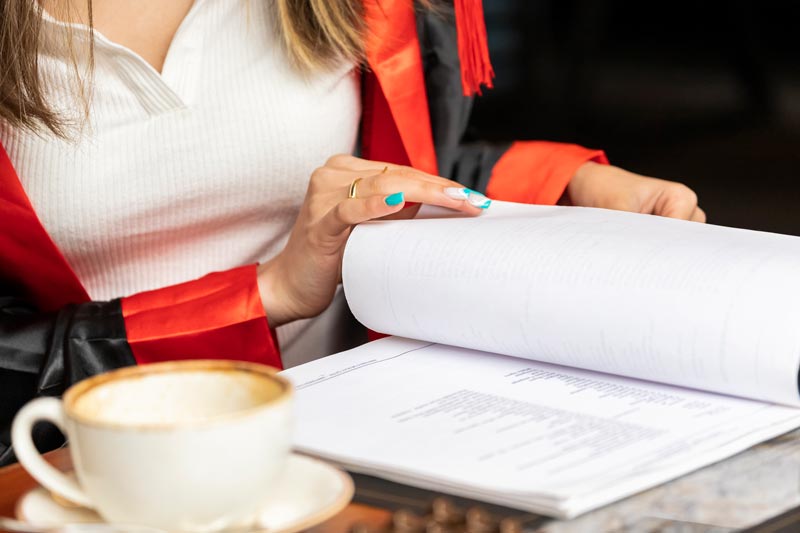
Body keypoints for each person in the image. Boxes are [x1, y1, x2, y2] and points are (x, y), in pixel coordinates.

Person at [0, 0, 704, 465]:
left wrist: (566, 187)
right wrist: (266, 293)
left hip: (371, 437)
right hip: (107, 469)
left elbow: (391, 171)